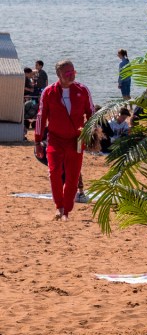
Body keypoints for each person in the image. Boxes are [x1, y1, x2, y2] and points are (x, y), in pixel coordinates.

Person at [34, 59, 94, 221]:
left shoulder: (83, 90)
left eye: (73, 72)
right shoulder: (49, 92)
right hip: (54, 139)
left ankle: (66, 210)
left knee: (73, 177)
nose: (71, 75)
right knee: (54, 172)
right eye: (67, 73)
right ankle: (58, 207)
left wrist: (91, 134)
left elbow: (91, 114)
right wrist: (37, 141)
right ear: (59, 75)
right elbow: (41, 116)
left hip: (76, 140)